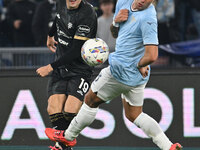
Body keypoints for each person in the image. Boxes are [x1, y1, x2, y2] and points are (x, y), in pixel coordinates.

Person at [44, 0, 183, 150]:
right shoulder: (123, 2)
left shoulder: (148, 18)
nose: (144, 0)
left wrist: (139, 64)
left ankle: (67, 138)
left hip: (121, 71)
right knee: (135, 115)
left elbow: (152, 56)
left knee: (90, 100)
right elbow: (115, 33)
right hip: (137, 78)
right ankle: (168, 146)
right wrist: (116, 22)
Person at [36, 0, 97, 149]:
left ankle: (61, 145)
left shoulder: (87, 14)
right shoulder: (60, 3)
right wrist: (50, 35)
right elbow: (58, 18)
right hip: (61, 66)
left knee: (71, 108)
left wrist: (50, 67)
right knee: (53, 107)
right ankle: (64, 145)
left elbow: (76, 51)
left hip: (81, 69)